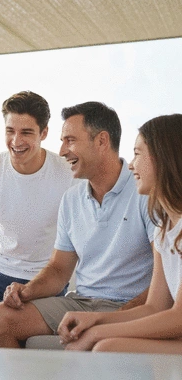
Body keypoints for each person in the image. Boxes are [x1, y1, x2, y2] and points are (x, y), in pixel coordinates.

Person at [0, 101, 155, 348]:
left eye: (70, 140)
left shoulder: (145, 193)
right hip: (81, 301)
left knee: (96, 340)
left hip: (129, 304)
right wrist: (26, 291)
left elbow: (164, 283)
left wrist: (114, 318)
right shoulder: (71, 199)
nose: (62, 151)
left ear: (102, 141)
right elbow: (58, 270)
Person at [57, 113, 182, 354]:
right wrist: (95, 319)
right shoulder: (165, 229)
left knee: (107, 347)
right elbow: (155, 307)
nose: (132, 164)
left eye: (137, 153)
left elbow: (178, 318)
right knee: (103, 345)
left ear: (163, 158)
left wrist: (98, 331)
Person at [0, 91, 75, 319]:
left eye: (26, 133)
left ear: (44, 133)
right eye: (10, 131)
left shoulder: (68, 173)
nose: (16, 141)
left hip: (46, 278)